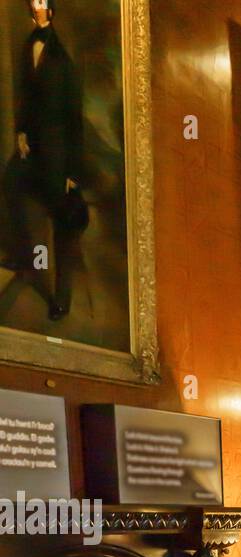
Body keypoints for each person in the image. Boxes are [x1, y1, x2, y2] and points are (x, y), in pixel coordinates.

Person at [1, 0, 85, 321]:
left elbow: (74, 120)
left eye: (42, 4)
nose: (36, 9)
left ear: (50, 11)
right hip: (31, 150)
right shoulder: (27, 46)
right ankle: (29, 259)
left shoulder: (63, 60)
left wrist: (72, 172)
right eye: (33, 3)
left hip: (58, 158)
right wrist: (21, 133)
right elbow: (25, 96)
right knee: (10, 183)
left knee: (62, 226)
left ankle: (61, 297)